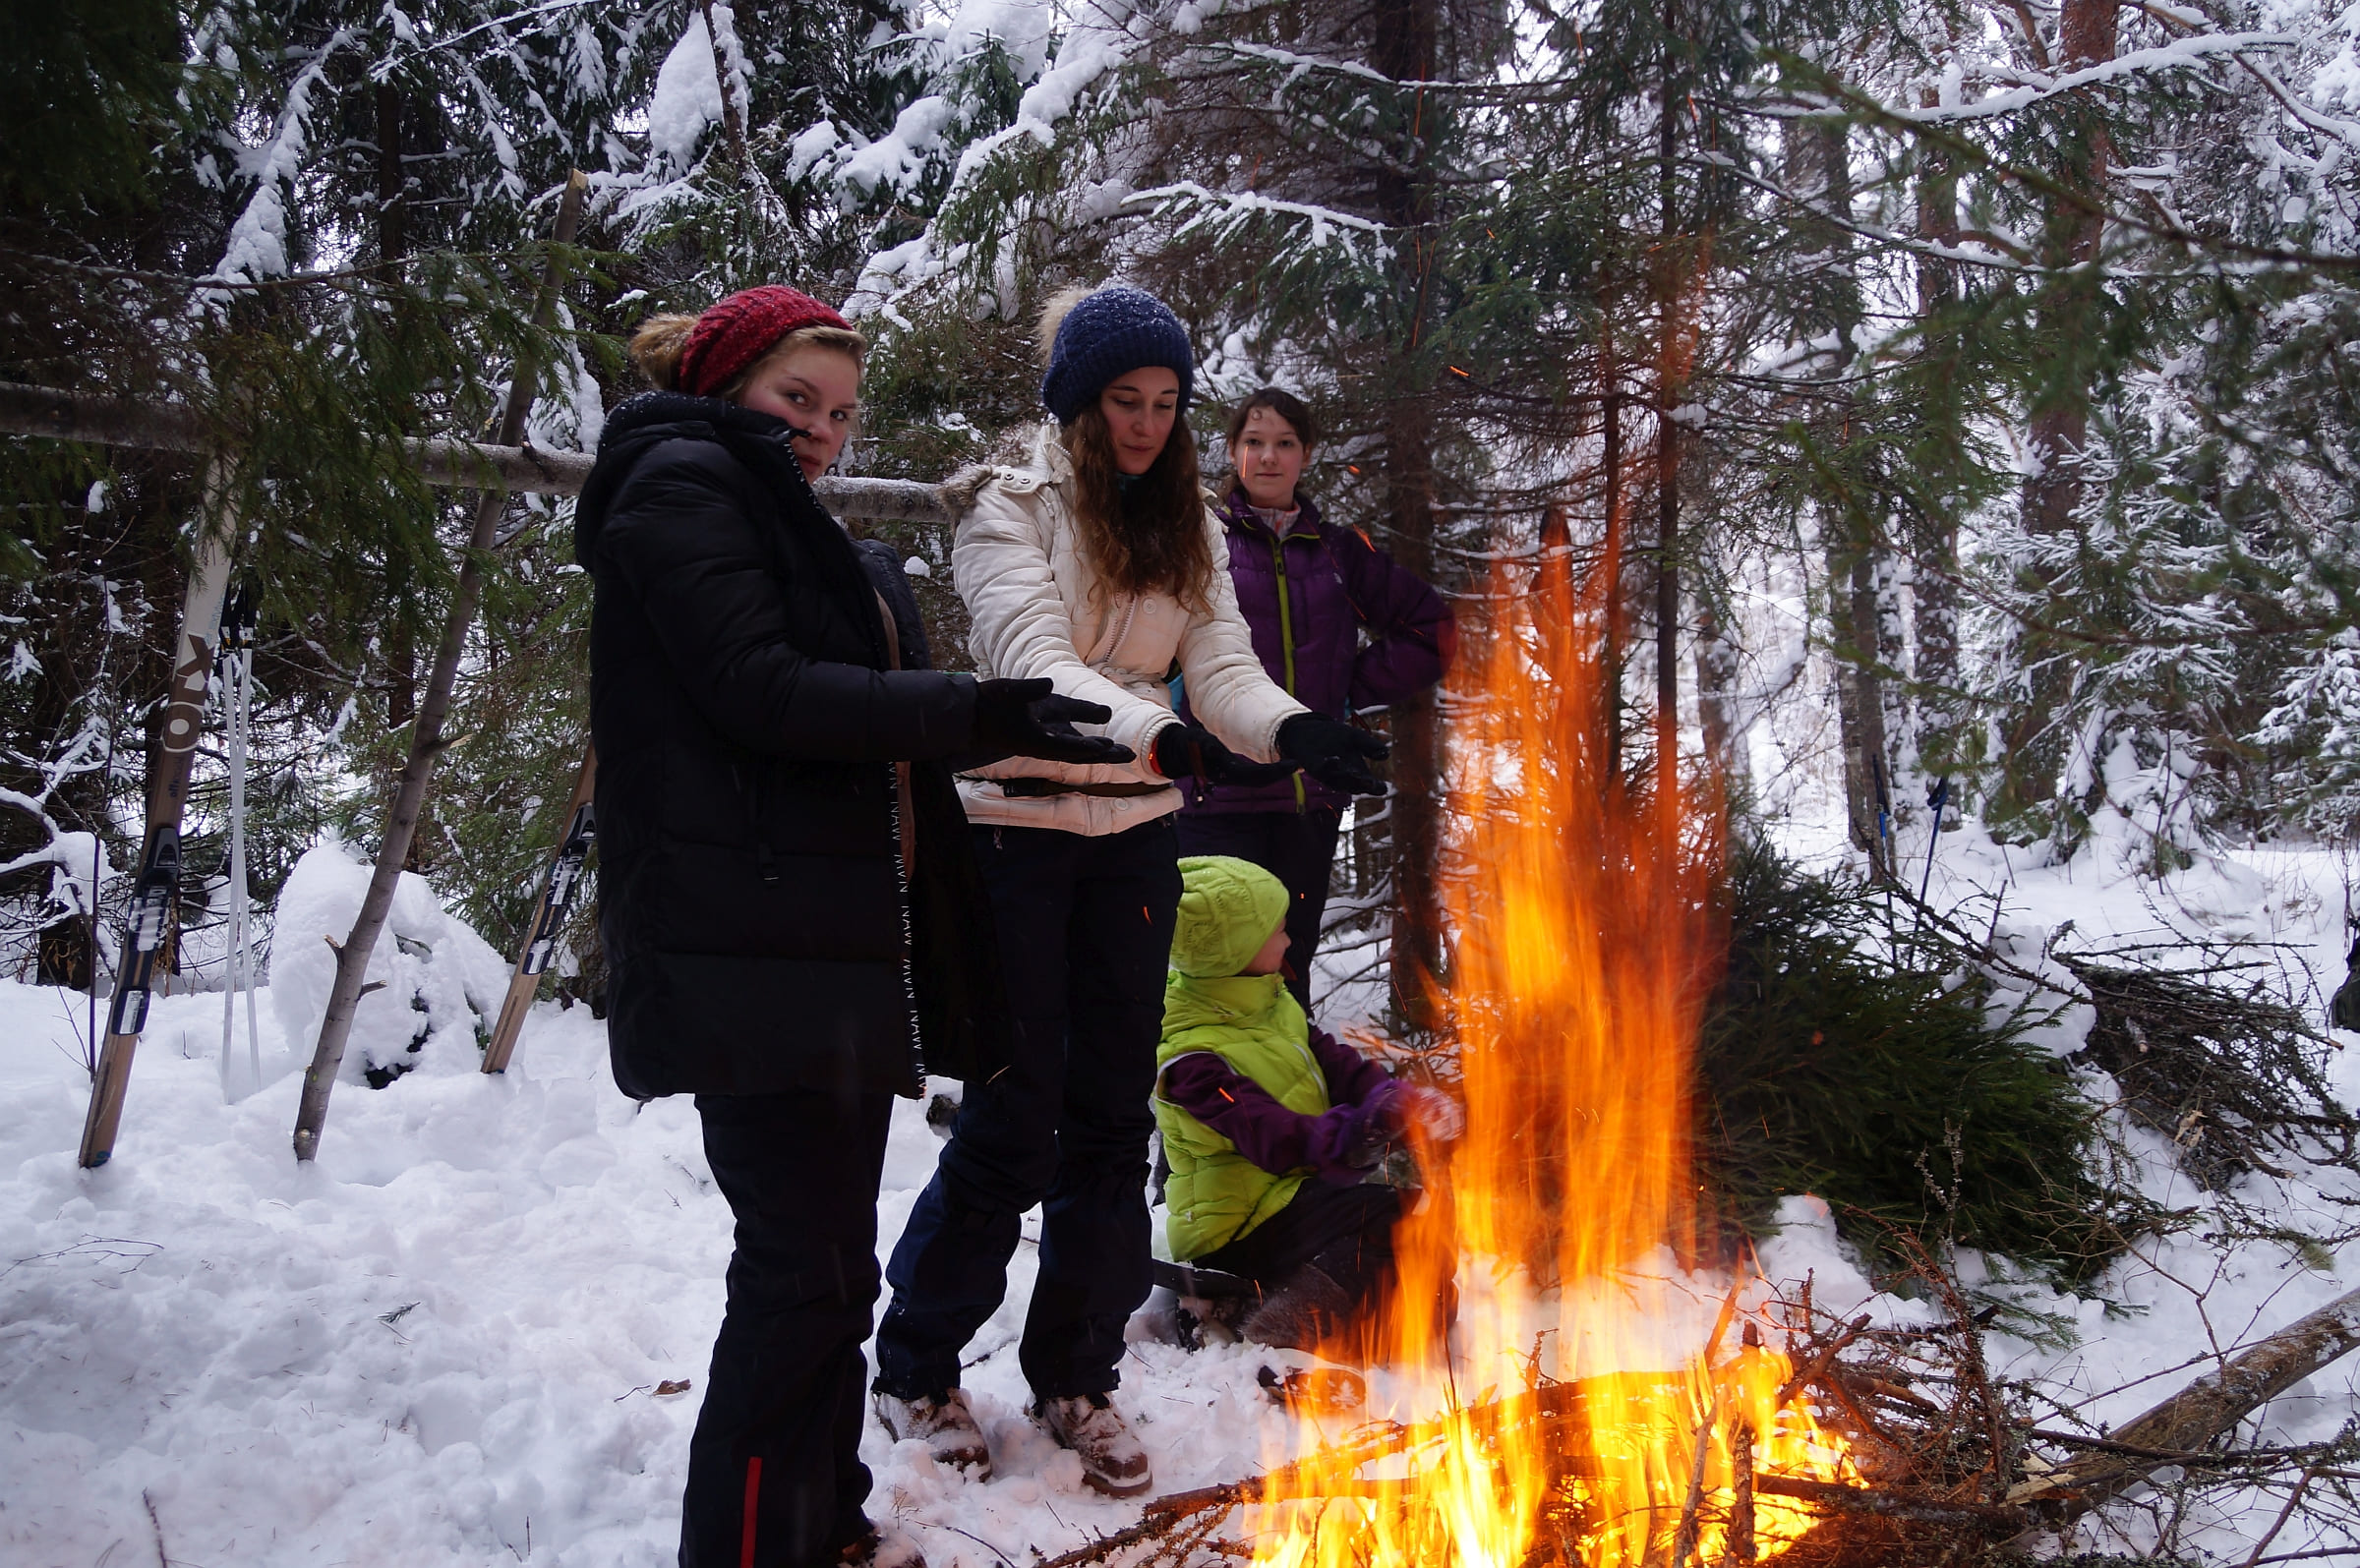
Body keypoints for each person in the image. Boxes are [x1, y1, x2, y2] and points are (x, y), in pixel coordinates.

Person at [575, 285, 1129, 1568]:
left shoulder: (756, 504)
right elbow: (760, 690)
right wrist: (972, 709)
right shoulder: (680, 486)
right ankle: (758, 1542)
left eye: (840, 411)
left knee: (827, 1268)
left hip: (806, 946)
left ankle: (821, 1517)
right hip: (743, 949)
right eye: (797, 400)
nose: (824, 428)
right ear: (728, 383)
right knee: (798, 1273)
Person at [869, 286, 1388, 1497]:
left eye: (1166, 403)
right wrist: (1164, 736)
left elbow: (1222, 662)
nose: (1148, 425)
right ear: (1077, 401)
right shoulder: (1004, 507)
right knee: (1014, 1115)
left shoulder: (1186, 524)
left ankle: (1074, 1370)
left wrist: (1295, 728)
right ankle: (915, 1363)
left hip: (1134, 845)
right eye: (1125, 401)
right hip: (1015, 834)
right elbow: (1033, 658)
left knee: (1109, 1115)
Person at [1175, 388, 1453, 1009]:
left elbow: (1433, 628)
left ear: (1306, 455)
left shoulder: (1337, 551)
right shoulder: (1201, 542)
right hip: (1214, 797)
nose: (1267, 457)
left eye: (1284, 443)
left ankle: (1290, 1099)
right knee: (1211, 971)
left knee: (1287, 971)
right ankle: (1202, 1097)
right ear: (1231, 451)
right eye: (1253, 442)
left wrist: (1343, 689)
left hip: (1306, 801)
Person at [1153, 855, 1459, 1354]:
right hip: (1235, 1225)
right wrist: (1358, 1130)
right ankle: (1279, 1336)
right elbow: (1272, 1137)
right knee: (1392, 1218)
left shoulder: (1269, 1003)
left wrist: (1395, 1100)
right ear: (1236, 951)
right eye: (1276, 930)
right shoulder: (1189, 1056)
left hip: (1288, 1199)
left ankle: (1299, 1304)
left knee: (1430, 1282)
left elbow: (1339, 1066)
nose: (1289, 940)